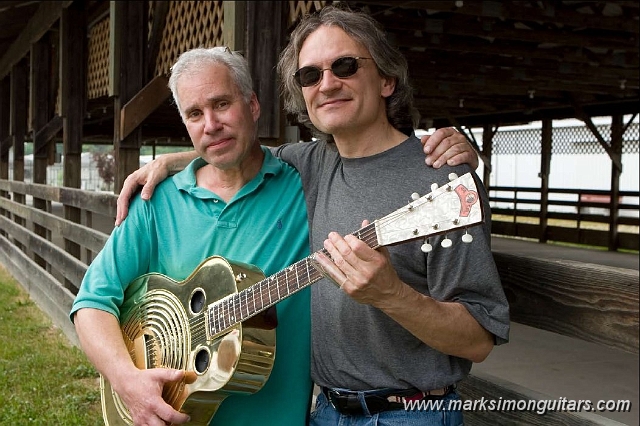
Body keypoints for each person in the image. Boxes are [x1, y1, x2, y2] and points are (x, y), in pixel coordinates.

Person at [114, 6, 503, 426]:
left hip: (409, 413)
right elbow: (235, 146)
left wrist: (391, 295)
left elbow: (479, 340)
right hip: (325, 411)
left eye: (346, 66)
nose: (328, 84)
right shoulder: (312, 162)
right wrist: (171, 162)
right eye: (310, 75)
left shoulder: (443, 180)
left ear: (387, 79)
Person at [70, 47, 313, 426]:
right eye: (195, 114)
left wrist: (440, 143)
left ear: (252, 105)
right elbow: (92, 302)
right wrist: (127, 380)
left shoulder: (304, 189)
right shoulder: (156, 201)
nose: (210, 124)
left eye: (221, 104)